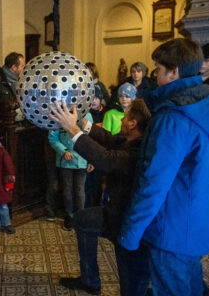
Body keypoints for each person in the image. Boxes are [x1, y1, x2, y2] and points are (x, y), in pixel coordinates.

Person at [118, 38, 209, 295]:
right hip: (200, 219)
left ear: (174, 71)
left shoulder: (174, 117)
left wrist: (130, 233)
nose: (155, 73)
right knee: (190, 286)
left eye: (158, 68)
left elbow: (154, 182)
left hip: (173, 227)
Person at [50, 99, 152, 296]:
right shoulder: (131, 139)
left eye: (126, 115)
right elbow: (108, 138)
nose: (122, 118)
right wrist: (80, 121)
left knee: (131, 279)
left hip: (128, 220)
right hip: (115, 212)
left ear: (132, 124)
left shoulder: (138, 150)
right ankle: (90, 280)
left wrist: (72, 130)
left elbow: (105, 159)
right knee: (82, 219)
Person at [48, 113, 93, 230]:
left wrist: (92, 159)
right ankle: (69, 216)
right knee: (67, 190)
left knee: (80, 191)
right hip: (66, 161)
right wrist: (63, 151)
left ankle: (80, 216)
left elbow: (92, 139)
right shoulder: (60, 114)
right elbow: (53, 137)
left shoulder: (86, 115)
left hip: (82, 160)